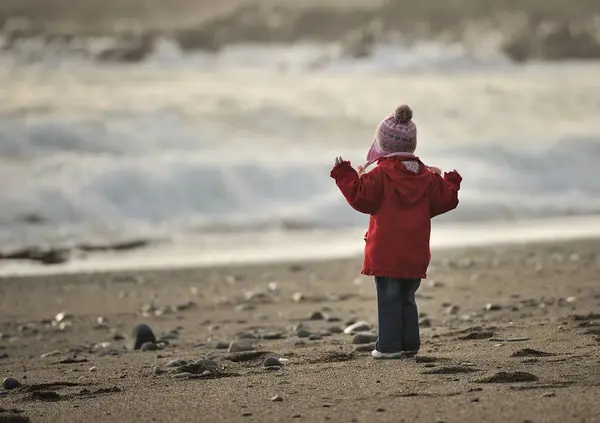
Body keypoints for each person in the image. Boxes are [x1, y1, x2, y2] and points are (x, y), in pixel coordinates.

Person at [330, 104, 462, 359]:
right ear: (412, 145)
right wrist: (450, 181)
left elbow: (360, 198)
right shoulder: (426, 177)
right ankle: (409, 343)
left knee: (389, 299)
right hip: (414, 252)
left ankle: (389, 346)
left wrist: (345, 175)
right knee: (407, 298)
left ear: (383, 146)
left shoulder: (380, 175)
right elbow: (446, 200)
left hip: (386, 253)